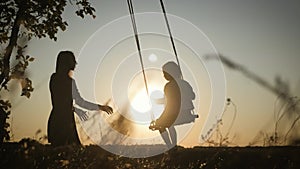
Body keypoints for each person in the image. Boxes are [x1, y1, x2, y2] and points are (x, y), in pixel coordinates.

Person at [47, 51, 113, 146]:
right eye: (73, 60)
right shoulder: (67, 81)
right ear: (67, 62)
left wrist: (75, 109)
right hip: (63, 121)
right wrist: (100, 107)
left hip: (59, 119)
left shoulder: (55, 78)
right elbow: (78, 102)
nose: (75, 63)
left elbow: (63, 102)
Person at [149, 61, 197, 148]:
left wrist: (160, 117)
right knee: (169, 124)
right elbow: (193, 96)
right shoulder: (185, 83)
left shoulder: (169, 86)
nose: (164, 76)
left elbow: (170, 104)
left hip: (176, 114)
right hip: (187, 113)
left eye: (165, 73)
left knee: (160, 124)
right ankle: (173, 145)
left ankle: (170, 146)